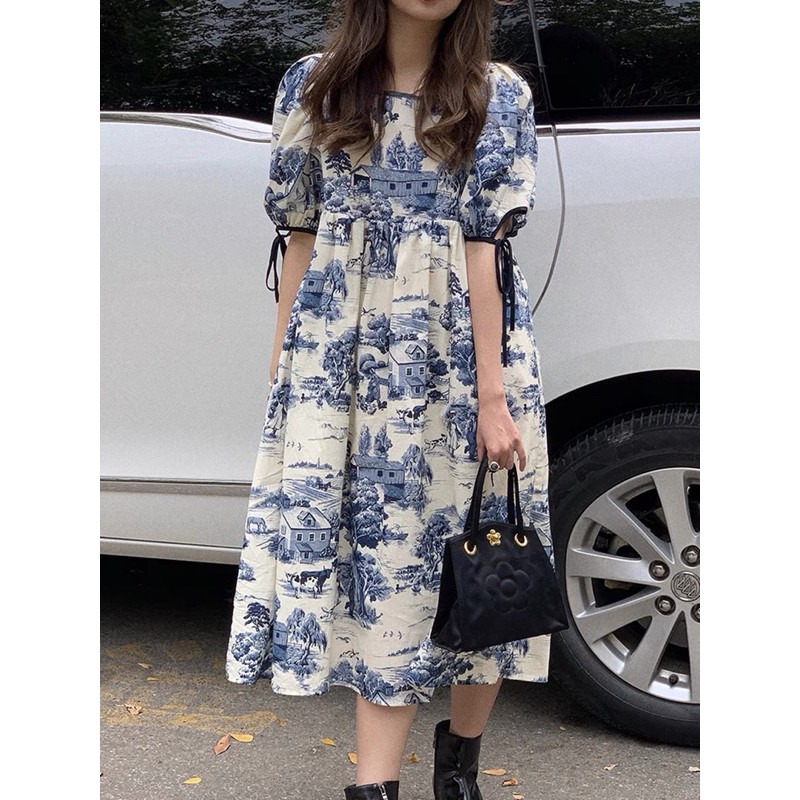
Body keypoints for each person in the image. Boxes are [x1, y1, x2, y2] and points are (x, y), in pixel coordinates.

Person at [225, 2, 552, 798]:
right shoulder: (315, 85)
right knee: (389, 569)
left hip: (466, 362)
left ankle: (459, 764)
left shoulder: (497, 93)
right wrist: (287, 370)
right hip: (342, 362)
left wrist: (491, 396)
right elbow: (300, 236)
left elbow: (485, 248)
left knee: (488, 556)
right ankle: (375, 790)